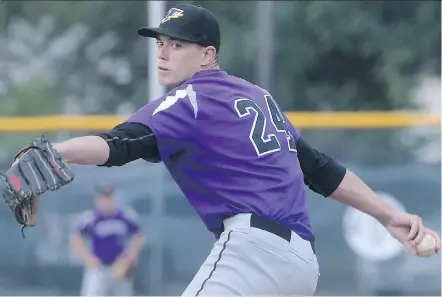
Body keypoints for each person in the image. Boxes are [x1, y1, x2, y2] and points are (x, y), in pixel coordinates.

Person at [19, 3, 441, 296]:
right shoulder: (258, 96)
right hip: (301, 266)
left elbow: (120, 144)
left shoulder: (190, 99)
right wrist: (388, 215)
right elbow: (320, 169)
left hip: (252, 252)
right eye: (160, 44)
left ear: (208, 55)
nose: (164, 54)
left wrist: (58, 151)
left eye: (177, 45)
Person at [70, 184, 145, 296]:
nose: (106, 201)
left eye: (109, 197)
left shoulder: (125, 215)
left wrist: (129, 258)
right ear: (97, 199)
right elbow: (76, 238)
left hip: (119, 267)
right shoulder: (91, 217)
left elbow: (139, 236)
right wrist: (88, 258)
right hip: (98, 267)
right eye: (103, 198)